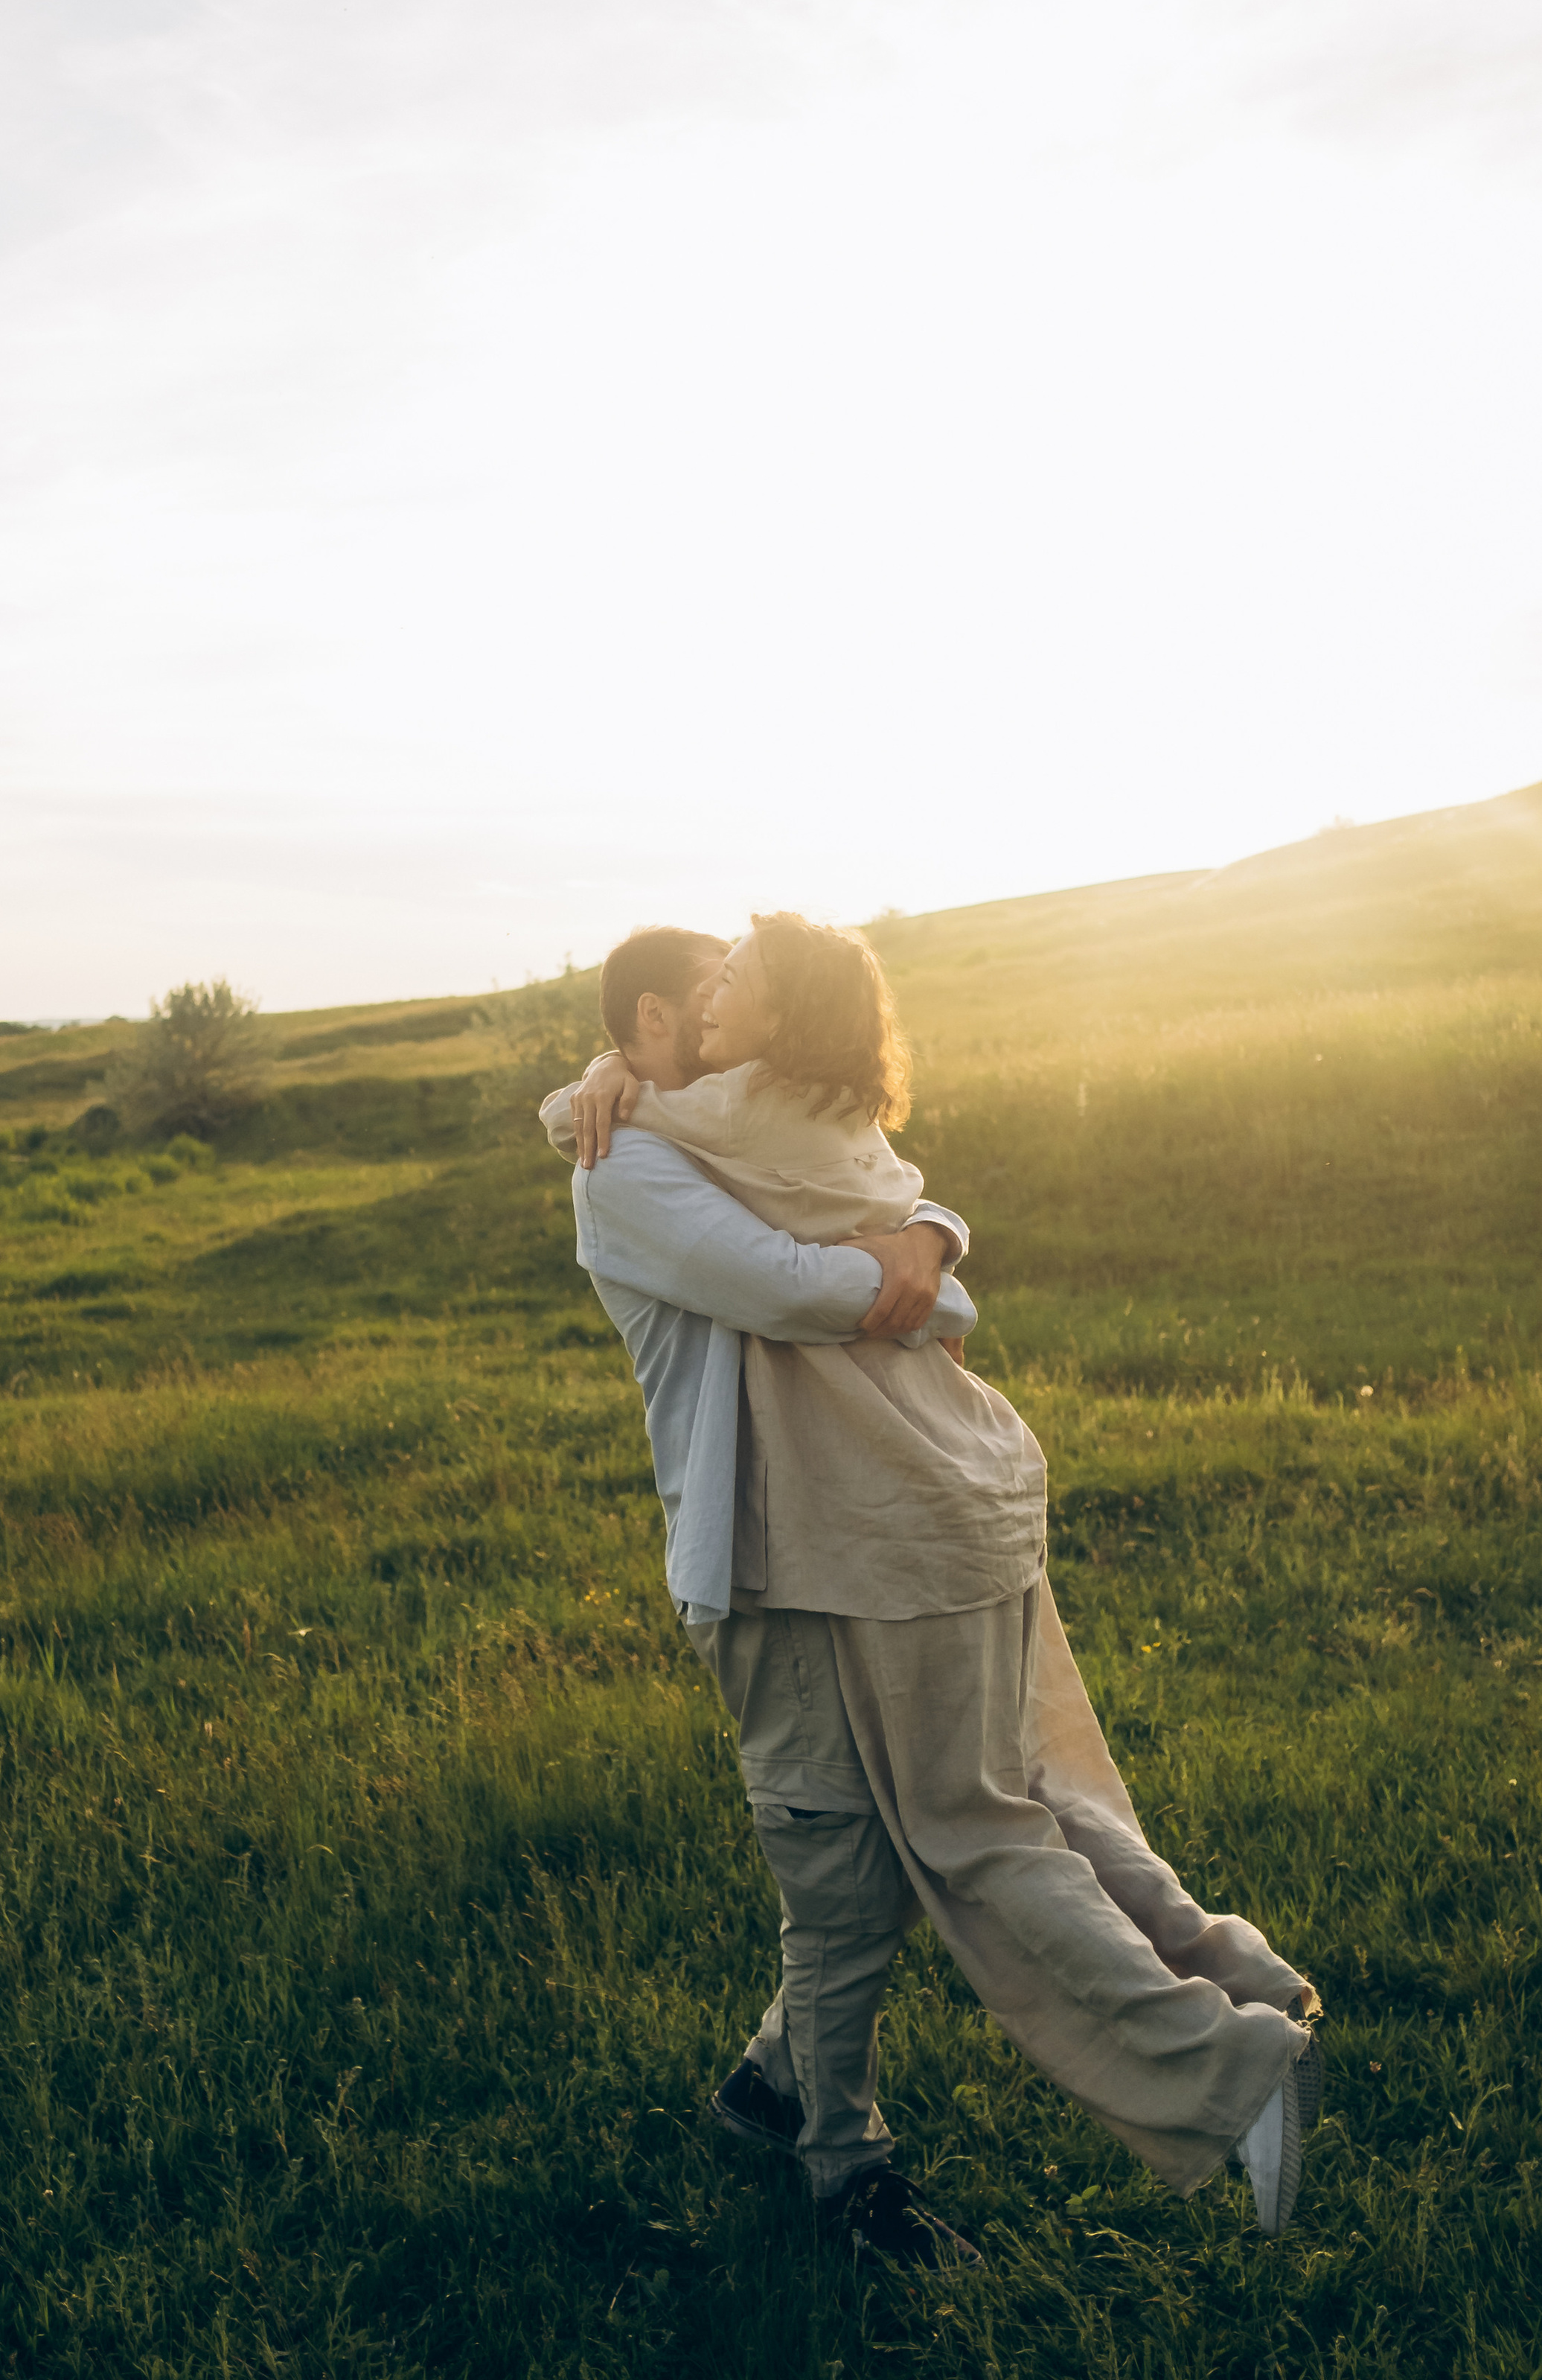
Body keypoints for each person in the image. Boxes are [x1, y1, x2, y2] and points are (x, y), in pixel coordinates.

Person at [540, 921, 1322, 2267]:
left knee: (892, 1853)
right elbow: (789, 1285)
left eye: (746, 982)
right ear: (653, 1024)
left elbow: (888, 1224)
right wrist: (923, 1269)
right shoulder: (641, 1158)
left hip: (858, 1542)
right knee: (865, 1862)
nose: (725, 998)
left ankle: (816, 2130)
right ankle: (815, 2130)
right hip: (797, 1553)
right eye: (706, 987)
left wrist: (932, 1236)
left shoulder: (774, 1137)